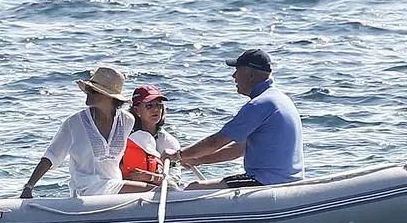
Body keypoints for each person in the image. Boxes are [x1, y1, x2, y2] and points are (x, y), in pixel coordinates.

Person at [162, 49, 304, 190]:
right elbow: (237, 149)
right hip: (288, 180)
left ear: (250, 74)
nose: (234, 76)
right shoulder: (281, 98)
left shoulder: (259, 105)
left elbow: (216, 142)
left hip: (266, 182)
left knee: (194, 188)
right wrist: (198, 159)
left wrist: (179, 155)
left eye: (237, 70)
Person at [20, 67, 156, 198]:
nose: (88, 93)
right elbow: (50, 157)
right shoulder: (73, 123)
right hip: (85, 189)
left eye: (94, 91)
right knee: (158, 191)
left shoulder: (127, 120)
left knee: (166, 190)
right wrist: (29, 187)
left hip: (114, 185)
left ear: (109, 97)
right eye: (89, 89)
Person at [120, 85, 181, 186]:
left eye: (159, 105)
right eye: (149, 106)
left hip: (156, 192)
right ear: (136, 110)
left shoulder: (169, 142)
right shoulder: (123, 136)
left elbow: (174, 180)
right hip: (125, 190)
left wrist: (151, 177)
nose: (156, 110)